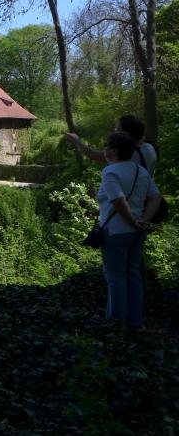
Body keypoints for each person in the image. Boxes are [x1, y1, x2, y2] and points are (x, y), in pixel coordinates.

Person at [95, 132, 162, 330]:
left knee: (115, 277)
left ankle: (116, 326)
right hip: (137, 232)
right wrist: (144, 220)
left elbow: (118, 200)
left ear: (114, 150)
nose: (105, 149)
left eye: (107, 146)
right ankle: (136, 323)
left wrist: (132, 221)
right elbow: (155, 197)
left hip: (116, 232)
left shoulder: (110, 172)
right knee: (133, 275)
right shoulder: (140, 170)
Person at [66, 114, 158, 175]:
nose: (115, 132)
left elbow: (93, 155)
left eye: (117, 130)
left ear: (127, 133)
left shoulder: (127, 154)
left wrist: (76, 140)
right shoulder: (150, 147)